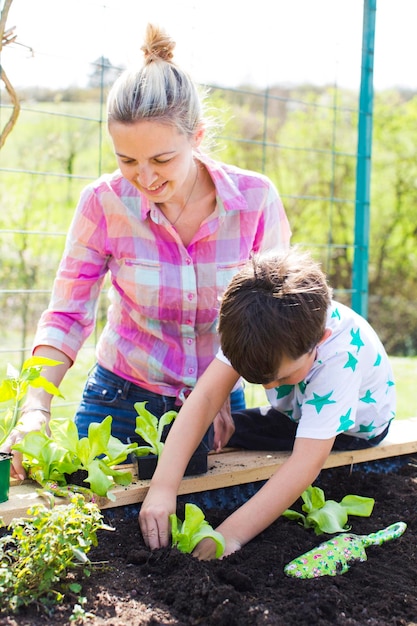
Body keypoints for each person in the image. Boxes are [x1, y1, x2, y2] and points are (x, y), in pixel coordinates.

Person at [1, 23, 290, 479]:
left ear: (196, 137)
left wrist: (213, 395)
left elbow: (269, 320)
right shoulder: (103, 203)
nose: (145, 178)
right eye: (127, 160)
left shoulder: (255, 201)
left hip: (218, 401)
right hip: (117, 402)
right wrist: (36, 407)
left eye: (161, 160)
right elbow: (67, 313)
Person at [139, 247, 396, 559]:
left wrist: (227, 536)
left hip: (354, 431)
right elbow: (206, 398)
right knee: (214, 430)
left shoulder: (339, 358)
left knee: (287, 445)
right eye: (259, 379)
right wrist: (163, 488)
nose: (269, 386)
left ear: (321, 339)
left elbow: (305, 464)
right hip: (296, 414)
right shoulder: (255, 325)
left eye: (279, 376)